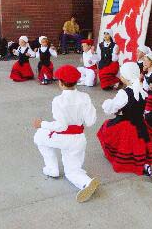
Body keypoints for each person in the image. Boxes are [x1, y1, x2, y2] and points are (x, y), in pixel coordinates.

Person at [33, 64, 100, 203]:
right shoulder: (85, 97)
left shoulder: (58, 100)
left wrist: (42, 124)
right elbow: (90, 121)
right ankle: (86, 182)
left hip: (63, 137)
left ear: (61, 83)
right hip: (79, 139)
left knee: (39, 136)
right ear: (76, 82)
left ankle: (52, 169)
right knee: (72, 171)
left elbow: (61, 126)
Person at [97, 62, 152, 184]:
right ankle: (148, 166)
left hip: (126, 124)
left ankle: (114, 154)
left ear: (125, 77)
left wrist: (108, 104)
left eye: (121, 74)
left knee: (106, 128)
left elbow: (112, 108)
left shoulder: (124, 93)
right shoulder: (142, 90)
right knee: (139, 145)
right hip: (140, 125)